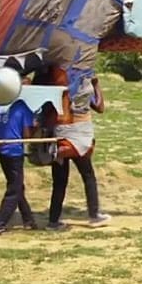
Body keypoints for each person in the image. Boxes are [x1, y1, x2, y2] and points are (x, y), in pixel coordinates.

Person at [48, 76, 111, 230]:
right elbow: (100, 107)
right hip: (78, 137)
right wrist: (96, 85)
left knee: (60, 181)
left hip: (60, 136)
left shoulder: (58, 82)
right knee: (88, 175)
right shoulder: (84, 85)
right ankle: (94, 214)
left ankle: (53, 220)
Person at [0, 98, 38, 234]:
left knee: (17, 185)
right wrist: (36, 128)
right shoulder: (21, 106)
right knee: (14, 190)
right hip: (15, 151)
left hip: (2, 150)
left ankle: (28, 220)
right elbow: (27, 135)